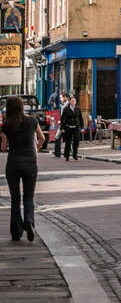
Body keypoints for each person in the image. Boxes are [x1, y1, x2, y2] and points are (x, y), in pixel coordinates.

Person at [1, 96, 45, 241]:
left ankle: (16, 231)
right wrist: (36, 149)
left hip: (13, 163)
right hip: (30, 162)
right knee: (28, 196)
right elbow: (42, 138)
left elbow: (3, 147)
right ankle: (29, 220)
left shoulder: (6, 125)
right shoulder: (32, 120)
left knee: (15, 198)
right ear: (21, 107)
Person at [61, 95, 84, 161]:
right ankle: (67, 156)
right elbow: (62, 119)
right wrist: (62, 128)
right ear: (70, 102)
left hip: (76, 126)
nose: (73, 102)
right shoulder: (66, 109)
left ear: (76, 102)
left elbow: (80, 118)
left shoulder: (78, 108)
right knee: (68, 142)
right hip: (68, 127)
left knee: (76, 141)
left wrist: (82, 127)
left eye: (74, 100)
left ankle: (75, 155)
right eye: (72, 100)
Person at [54, 92, 69, 158]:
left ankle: (57, 154)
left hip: (64, 124)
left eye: (61, 97)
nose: (60, 99)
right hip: (64, 123)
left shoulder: (67, 105)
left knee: (57, 137)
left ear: (65, 97)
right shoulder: (65, 104)